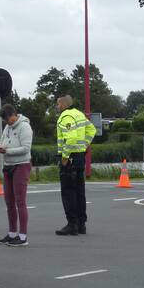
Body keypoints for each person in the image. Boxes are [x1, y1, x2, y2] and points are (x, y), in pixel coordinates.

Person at [55, 95, 96, 236]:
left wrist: (65, 157)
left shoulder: (65, 116)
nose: (57, 106)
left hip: (70, 158)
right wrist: (83, 146)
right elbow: (92, 130)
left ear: (63, 104)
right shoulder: (79, 114)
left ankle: (72, 224)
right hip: (79, 157)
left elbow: (71, 137)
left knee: (68, 192)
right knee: (79, 191)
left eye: (58, 104)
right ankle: (81, 224)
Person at [0, 103, 32, 247]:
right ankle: (11, 234)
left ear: (13, 115)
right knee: (9, 202)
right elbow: (4, 141)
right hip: (8, 166)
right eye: (4, 120)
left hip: (21, 165)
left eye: (7, 119)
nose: (7, 122)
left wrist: (7, 151)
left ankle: (22, 237)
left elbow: (25, 148)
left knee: (20, 201)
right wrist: (1, 147)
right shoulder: (7, 127)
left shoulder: (25, 127)